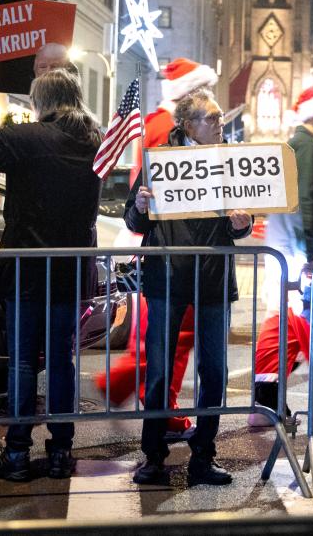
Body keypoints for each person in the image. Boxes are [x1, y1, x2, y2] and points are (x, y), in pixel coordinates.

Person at [0, 60, 102, 482]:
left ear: (41, 102)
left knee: (23, 364)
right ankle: (60, 453)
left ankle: (16, 453)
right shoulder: (95, 141)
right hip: (69, 272)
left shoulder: (30, 137)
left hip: (27, 268)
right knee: (63, 362)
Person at [126, 89, 252, 486]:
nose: (219, 124)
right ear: (188, 124)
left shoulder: (230, 161)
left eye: (218, 119)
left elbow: (245, 221)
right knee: (160, 372)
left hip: (213, 279)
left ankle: (204, 455)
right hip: (167, 278)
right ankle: (153, 456)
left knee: (214, 371)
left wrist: (242, 222)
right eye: (211, 119)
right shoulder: (159, 161)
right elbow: (134, 221)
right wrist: (142, 208)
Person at [95, 58, 219, 436]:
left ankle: (134, 394)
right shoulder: (167, 131)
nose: (216, 116)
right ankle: (153, 409)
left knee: (165, 335)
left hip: (170, 251)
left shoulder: (158, 124)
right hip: (169, 250)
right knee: (172, 335)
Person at [254, 82, 313, 420]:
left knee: (282, 324)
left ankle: (265, 400)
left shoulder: (302, 146)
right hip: (300, 256)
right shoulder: (305, 148)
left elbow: (307, 191)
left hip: (289, 254)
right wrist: (312, 259)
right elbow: (307, 202)